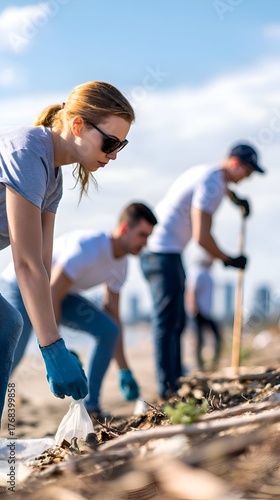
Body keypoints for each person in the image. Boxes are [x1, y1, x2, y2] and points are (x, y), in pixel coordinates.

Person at [0, 80, 135, 422]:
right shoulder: (28, 151)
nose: (115, 154)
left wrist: (54, 339)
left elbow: (43, 265)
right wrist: (51, 348)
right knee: (7, 326)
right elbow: (26, 264)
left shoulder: (53, 179)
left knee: (7, 325)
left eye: (122, 145)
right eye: (110, 142)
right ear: (78, 126)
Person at [1, 202, 157, 417]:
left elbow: (114, 319)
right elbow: (52, 292)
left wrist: (124, 369)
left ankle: (91, 406)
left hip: (57, 295)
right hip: (22, 285)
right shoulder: (88, 247)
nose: (145, 243)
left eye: (148, 236)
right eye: (142, 235)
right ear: (123, 229)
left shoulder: (121, 267)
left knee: (109, 330)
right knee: (12, 354)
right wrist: (58, 350)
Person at [140, 143, 265, 399]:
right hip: (161, 253)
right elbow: (201, 236)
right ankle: (167, 388)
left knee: (176, 321)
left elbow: (218, 189)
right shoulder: (212, 184)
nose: (249, 178)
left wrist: (235, 200)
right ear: (235, 163)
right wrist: (228, 259)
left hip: (164, 251)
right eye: (248, 171)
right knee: (168, 322)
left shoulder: (210, 176)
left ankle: (173, 381)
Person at [186, 250, 222, 372]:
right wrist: (193, 308)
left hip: (207, 312)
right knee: (199, 340)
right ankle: (199, 367)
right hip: (198, 312)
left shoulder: (207, 273)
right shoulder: (198, 272)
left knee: (217, 337)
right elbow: (191, 291)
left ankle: (213, 364)